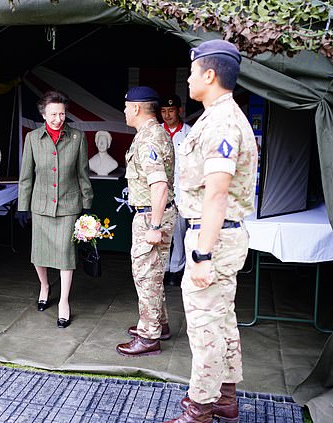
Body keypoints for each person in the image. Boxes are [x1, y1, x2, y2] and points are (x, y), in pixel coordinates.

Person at [165, 40, 257, 423]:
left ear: (209, 75)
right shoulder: (218, 116)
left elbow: (217, 193)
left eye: (191, 72)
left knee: (204, 326)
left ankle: (199, 408)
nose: (187, 79)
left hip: (212, 239)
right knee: (222, 320)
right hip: (220, 236)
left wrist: (201, 255)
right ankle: (225, 398)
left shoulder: (220, 121)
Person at [17, 90, 93, 329]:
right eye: (53, 114)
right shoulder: (32, 139)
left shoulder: (77, 138)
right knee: (39, 254)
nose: (58, 118)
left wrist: (87, 206)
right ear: (43, 114)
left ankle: (63, 302)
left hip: (69, 205)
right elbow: (26, 177)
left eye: (61, 113)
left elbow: (83, 175)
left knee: (65, 255)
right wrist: (22, 207)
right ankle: (45, 286)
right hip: (40, 205)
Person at [115, 86, 177, 357]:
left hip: (151, 214)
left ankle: (149, 337)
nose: (125, 111)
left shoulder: (148, 139)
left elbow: (159, 185)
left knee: (145, 275)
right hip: (154, 213)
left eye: (127, 107)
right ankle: (159, 324)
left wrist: (153, 226)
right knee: (153, 274)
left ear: (137, 108)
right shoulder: (154, 133)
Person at [159, 94, 192, 286]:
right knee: (161, 233)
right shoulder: (157, 132)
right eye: (163, 111)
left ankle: (177, 269)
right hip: (160, 192)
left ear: (179, 110)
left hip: (181, 192)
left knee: (179, 233)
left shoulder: (189, 133)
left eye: (170, 111)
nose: (167, 115)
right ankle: (163, 269)